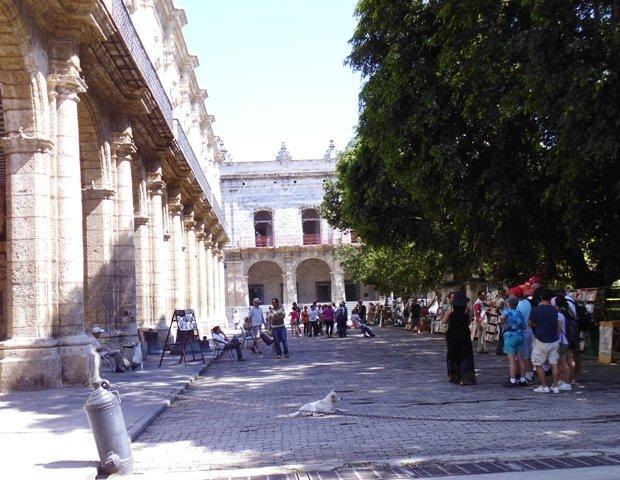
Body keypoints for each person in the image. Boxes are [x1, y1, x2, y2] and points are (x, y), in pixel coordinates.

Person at [529, 289, 561, 393]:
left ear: (541, 298)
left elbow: (530, 323)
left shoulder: (536, 310)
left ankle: (544, 386)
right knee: (554, 363)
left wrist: (535, 325)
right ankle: (555, 386)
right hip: (553, 339)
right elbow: (557, 325)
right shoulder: (554, 310)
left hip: (540, 339)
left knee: (538, 364)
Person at [444, 292, 476, 385]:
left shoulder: (451, 309)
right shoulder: (467, 310)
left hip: (453, 335)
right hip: (464, 334)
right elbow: (469, 322)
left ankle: (455, 377)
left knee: (454, 355)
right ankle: (465, 378)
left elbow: (444, 321)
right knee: (465, 355)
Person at [500, 297, 527, 386]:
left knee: (511, 359)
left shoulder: (507, 311)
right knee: (521, 358)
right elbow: (525, 326)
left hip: (510, 335)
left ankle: (512, 379)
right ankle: (523, 378)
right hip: (520, 335)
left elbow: (502, 318)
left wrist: (504, 324)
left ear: (508, 304)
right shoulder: (520, 313)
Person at [511, 285, 534, 383]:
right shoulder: (528, 302)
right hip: (529, 330)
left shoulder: (518, 305)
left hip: (521, 331)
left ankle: (525, 375)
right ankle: (529, 373)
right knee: (528, 354)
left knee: (521, 355)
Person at [554, 295, 576, 391]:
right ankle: (564, 380)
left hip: (561, 340)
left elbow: (558, 330)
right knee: (565, 361)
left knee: (563, 362)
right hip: (566, 339)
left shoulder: (558, 315)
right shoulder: (566, 313)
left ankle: (566, 382)